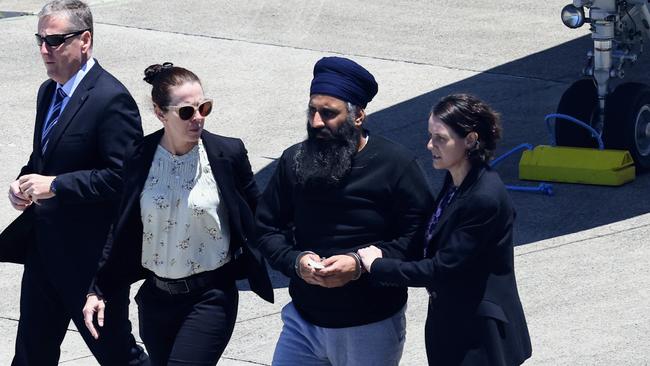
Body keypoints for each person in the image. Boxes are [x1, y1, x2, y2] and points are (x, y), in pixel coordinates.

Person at [83, 63, 274, 366]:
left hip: (211, 296)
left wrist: (297, 257)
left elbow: (264, 217)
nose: (198, 118)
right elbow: (121, 227)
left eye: (204, 108)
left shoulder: (227, 153)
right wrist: (97, 288)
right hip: (157, 300)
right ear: (160, 113)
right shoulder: (139, 155)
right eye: (186, 112)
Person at [254, 56, 434, 366]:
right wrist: (296, 262)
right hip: (303, 323)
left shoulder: (396, 165)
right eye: (312, 110)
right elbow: (267, 228)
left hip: (370, 325)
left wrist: (360, 264)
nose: (316, 122)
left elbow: (420, 238)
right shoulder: (293, 160)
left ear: (358, 116)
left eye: (329, 113)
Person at [0, 1, 148, 364]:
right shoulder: (48, 92)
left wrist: (56, 185)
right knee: (31, 356)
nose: (43, 50)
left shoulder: (111, 99)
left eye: (54, 41)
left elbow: (125, 179)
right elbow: (44, 160)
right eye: (40, 39)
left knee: (118, 355)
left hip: (91, 264)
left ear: (85, 40)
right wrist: (23, 183)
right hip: (45, 253)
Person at [358, 94, 533, 365]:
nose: (430, 145)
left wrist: (377, 265)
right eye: (430, 136)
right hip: (453, 327)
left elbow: (441, 270)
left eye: (440, 138)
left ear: (471, 140)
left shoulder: (483, 198)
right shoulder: (456, 181)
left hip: (479, 339)